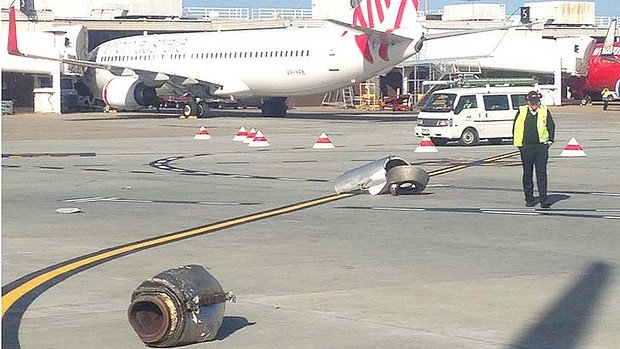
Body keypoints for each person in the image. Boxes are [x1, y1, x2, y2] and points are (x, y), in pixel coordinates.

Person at [513, 91, 556, 208]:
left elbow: (551, 125)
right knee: (527, 173)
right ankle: (529, 199)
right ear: (528, 102)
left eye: (536, 102)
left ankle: (543, 199)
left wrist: (550, 141)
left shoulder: (544, 111)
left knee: (541, 173)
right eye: (532, 102)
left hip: (541, 147)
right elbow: (516, 127)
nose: (534, 105)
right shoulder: (522, 111)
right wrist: (519, 145)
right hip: (526, 147)